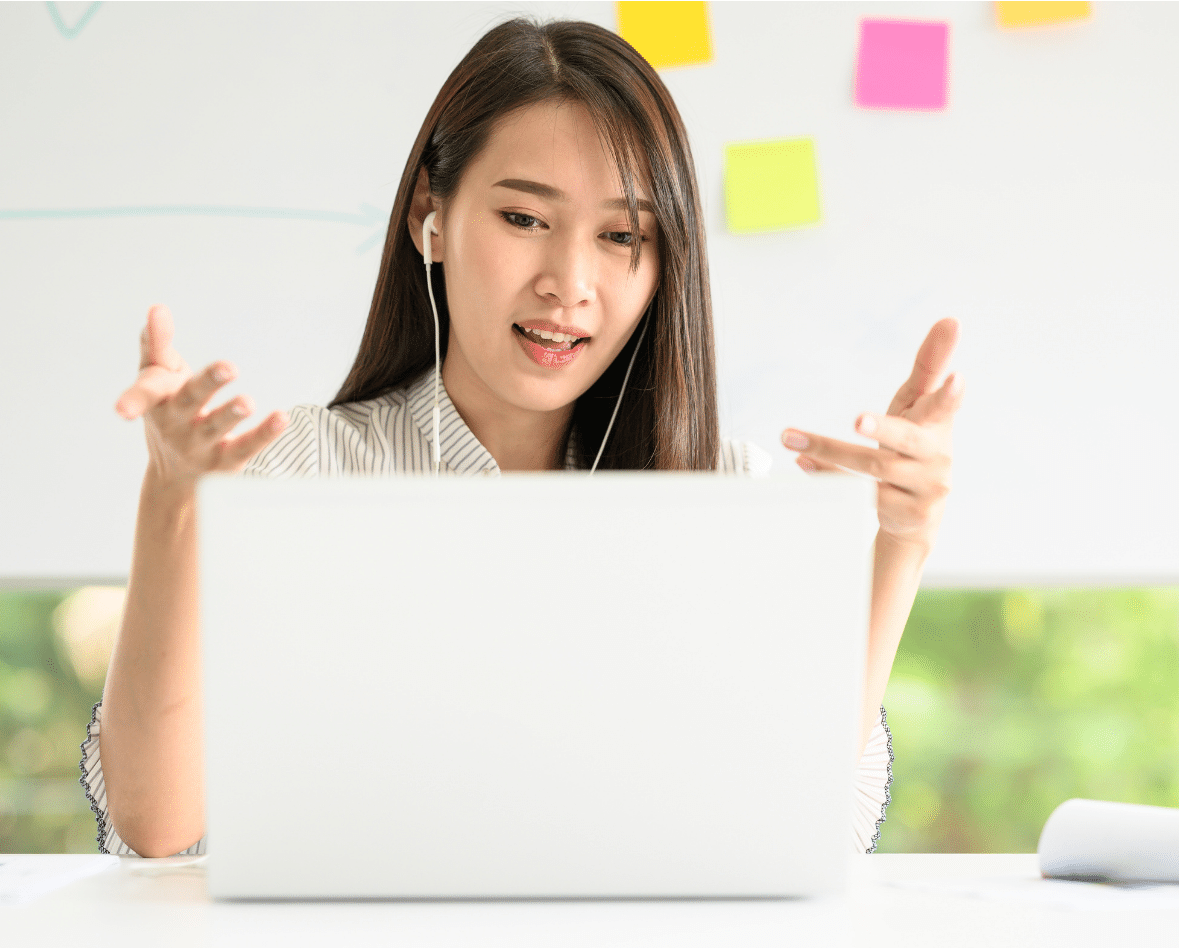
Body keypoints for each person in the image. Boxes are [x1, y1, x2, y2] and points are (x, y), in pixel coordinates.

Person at [81, 18, 962, 860]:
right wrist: (174, 497)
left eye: (621, 236)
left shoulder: (718, 490)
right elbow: (159, 826)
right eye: (525, 220)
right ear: (430, 218)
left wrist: (902, 541)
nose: (569, 283)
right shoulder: (298, 473)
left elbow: (800, 817)